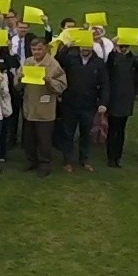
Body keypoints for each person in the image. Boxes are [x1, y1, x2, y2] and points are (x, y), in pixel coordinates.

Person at [57, 36, 109, 173]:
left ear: (92, 47)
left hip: (89, 105)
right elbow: (57, 60)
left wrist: (103, 102)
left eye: (87, 46)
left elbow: (105, 83)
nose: (85, 49)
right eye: (82, 46)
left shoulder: (98, 63)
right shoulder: (71, 59)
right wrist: (66, 47)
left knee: (86, 133)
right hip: (70, 103)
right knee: (68, 133)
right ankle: (67, 160)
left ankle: (84, 159)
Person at [21, 38, 66, 177]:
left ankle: (45, 164)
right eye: (34, 49)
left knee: (44, 140)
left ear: (45, 48)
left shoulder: (53, 64)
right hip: (29, 107)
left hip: (45, 109)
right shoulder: (28, 62)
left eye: (39, 49)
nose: (36, 52)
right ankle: (31, 161)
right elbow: (18, 83)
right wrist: (20, 77)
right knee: (29, 139)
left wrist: (49, 80)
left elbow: (62, 85)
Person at [103, 31, 138, 167]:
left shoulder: (133, 59)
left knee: (121, 129)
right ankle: (111, 156)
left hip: (126, 98)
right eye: (121, 46)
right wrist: (113, 45)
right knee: (113, 128)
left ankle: (117, 156)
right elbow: (109, 64)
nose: (123, 48)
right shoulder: (113, 58)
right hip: (114, 98)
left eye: (125, 46)